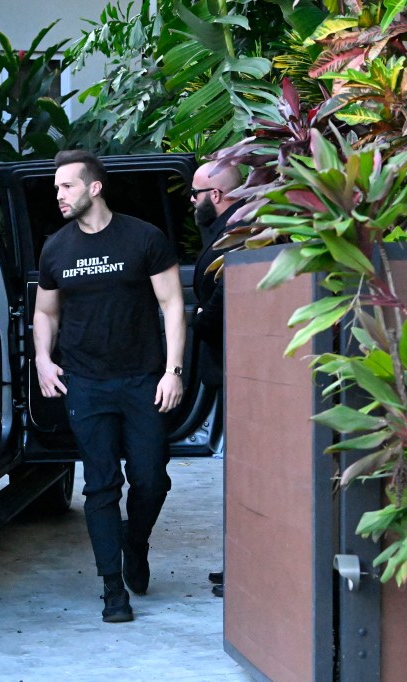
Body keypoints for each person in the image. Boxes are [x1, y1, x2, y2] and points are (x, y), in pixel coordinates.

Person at [33, 149, 186, 623]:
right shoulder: (56, 247)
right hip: (85, 382)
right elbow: (45, 311)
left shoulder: (143, 238)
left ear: (94, 188)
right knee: (100, 486)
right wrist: (42, 358)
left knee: (151, 478)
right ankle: (111, 589)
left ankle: (134, 543)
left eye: (66, 186)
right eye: (56, 187)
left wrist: (173, 371)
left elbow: (173, 305)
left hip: (142, 379)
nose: (57, 195)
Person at [189, 160, 245, 598]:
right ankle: (235, 564)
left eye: (196, 194)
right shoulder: (224, 230)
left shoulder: (236, 234)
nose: (191, 201)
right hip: (227, 369)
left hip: (237, 369)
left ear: (218, 196)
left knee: (240, 473)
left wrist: (198, 319)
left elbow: (227, 299)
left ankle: (242, 568)